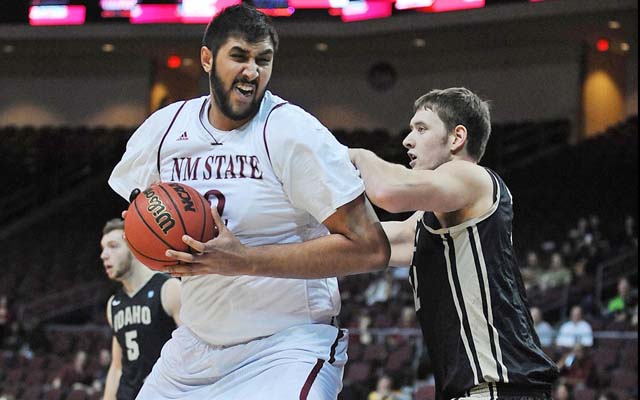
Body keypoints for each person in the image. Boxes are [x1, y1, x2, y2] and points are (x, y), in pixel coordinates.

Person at [108, 4, 389, 399]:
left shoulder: (295, 132)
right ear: (207, 59)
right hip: (194, 346)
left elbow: (370, 248)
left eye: (263, 60)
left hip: (285, 348)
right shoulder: (165, 129)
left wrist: (244, 260)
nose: (252, 71)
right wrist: (146, 232)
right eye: (239, 56)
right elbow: (144, 210)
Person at [349, 88, 558, 399]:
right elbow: (363, 244)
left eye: (421, 129)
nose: (408, 140)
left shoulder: (472, 178)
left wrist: (353, 156)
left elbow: (387, 191)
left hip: (500, 389)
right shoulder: (424, 225)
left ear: (457, 138)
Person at [99, 218, 181, 400]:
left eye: (113, 246)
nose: (104, 255)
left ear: (134, 247)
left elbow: (194, 350)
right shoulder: (114, 303)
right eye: (103, 248)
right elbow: (117, 366)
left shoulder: (168, 289)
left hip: (164, 393)